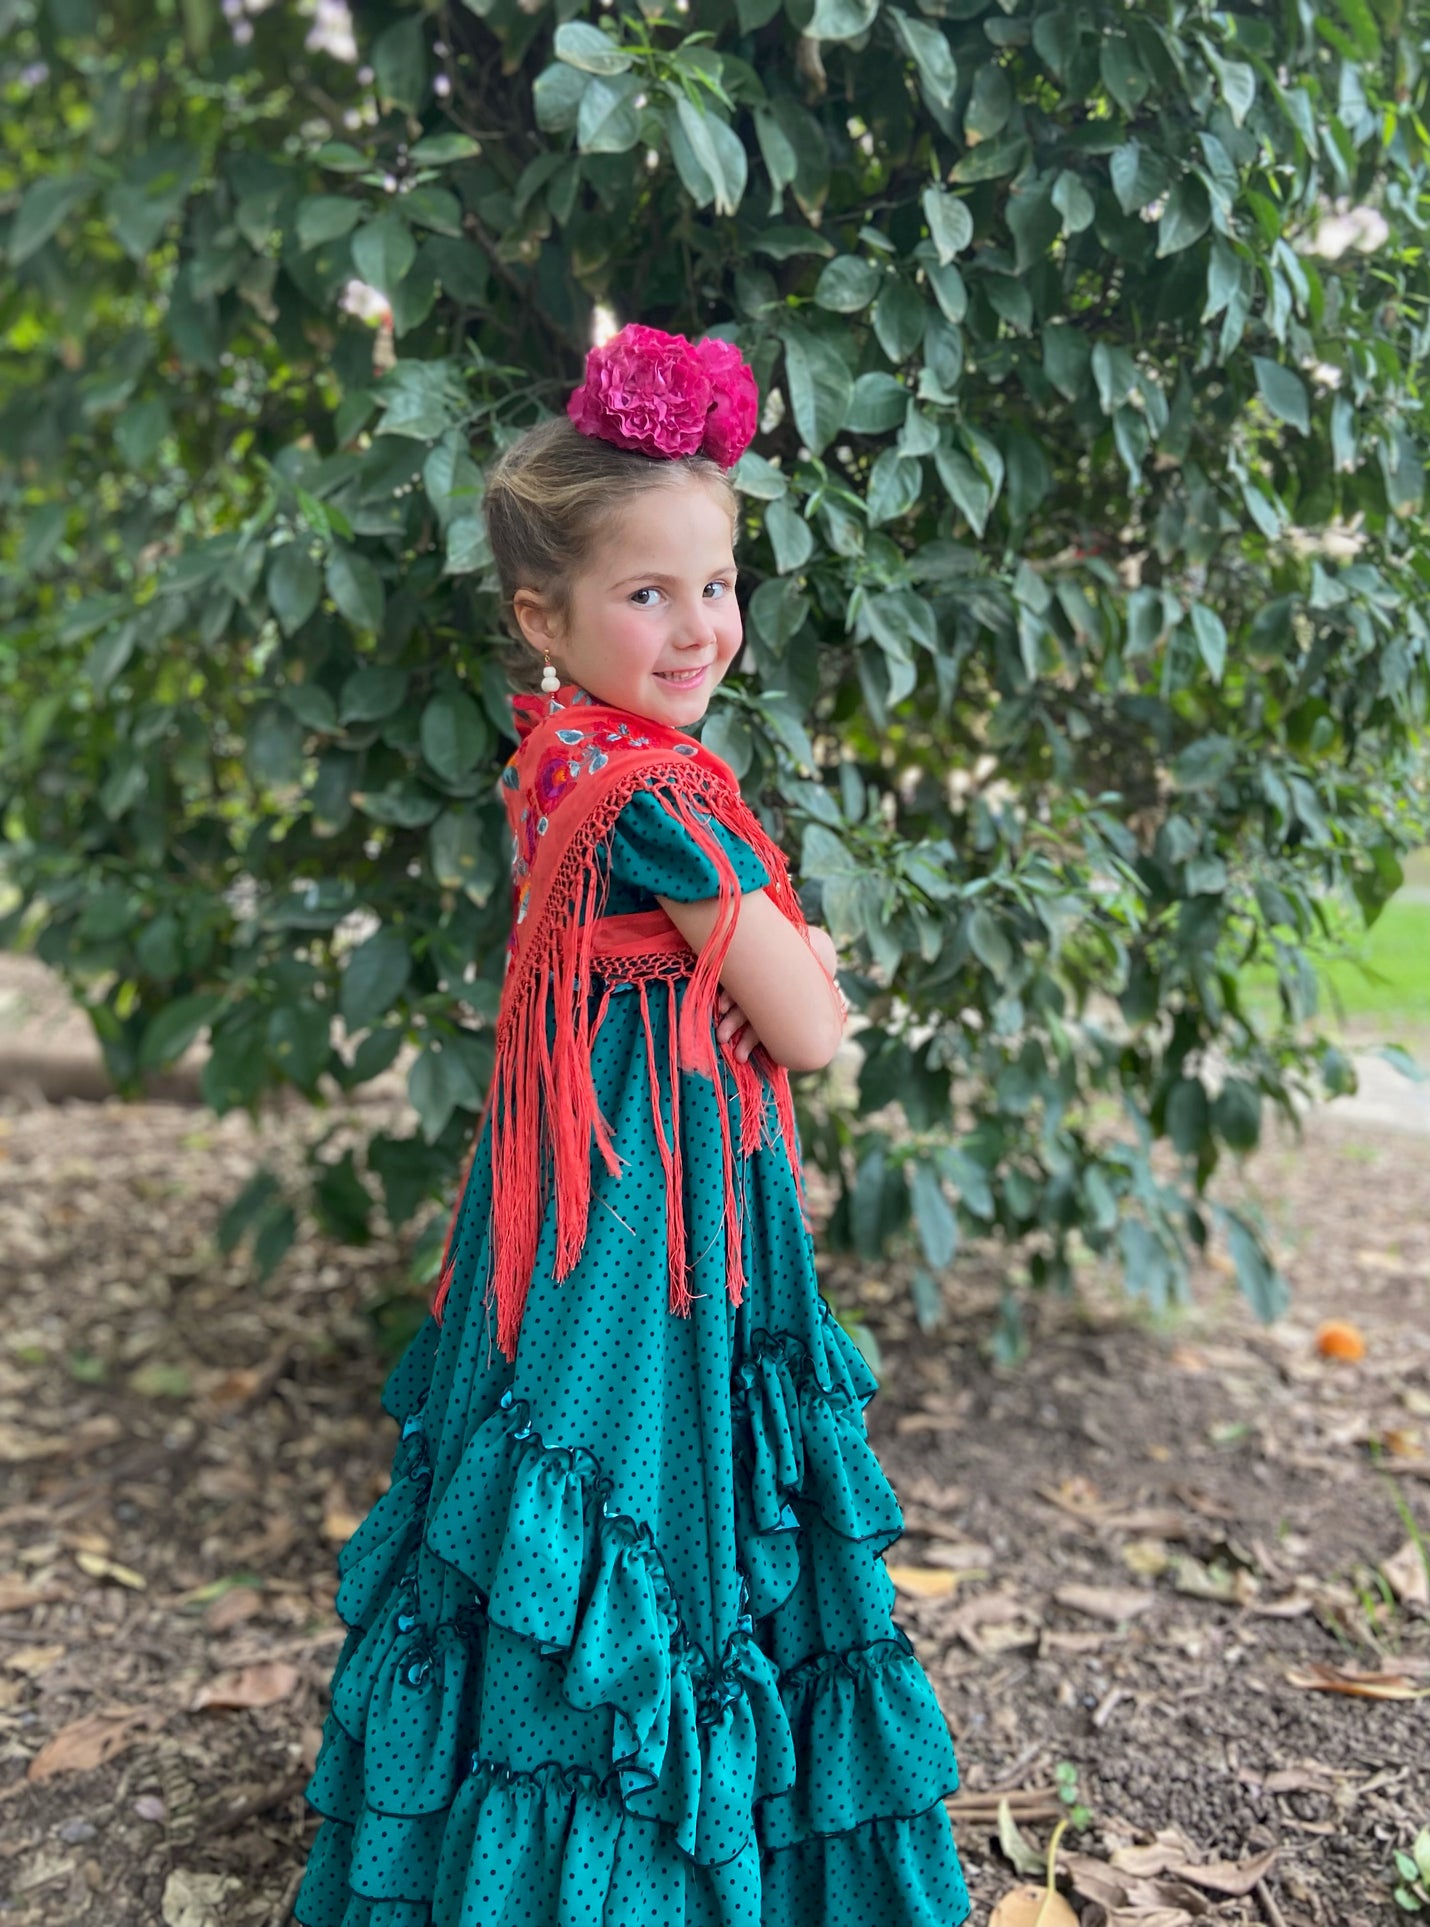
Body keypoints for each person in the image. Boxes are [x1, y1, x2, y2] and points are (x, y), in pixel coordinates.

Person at [293, 324, 972, 1927]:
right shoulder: (657, 797)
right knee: (638, 1493)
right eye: (645, 594)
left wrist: (769, 961)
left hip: (589, 1197)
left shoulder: (569, 756)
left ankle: (517, 1837)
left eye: (715, 585)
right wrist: (798, 964)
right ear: (544, 615)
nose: (696, 627)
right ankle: (615, 1869)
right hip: (643, 1219)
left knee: (582, 1488)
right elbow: (806, 1026)